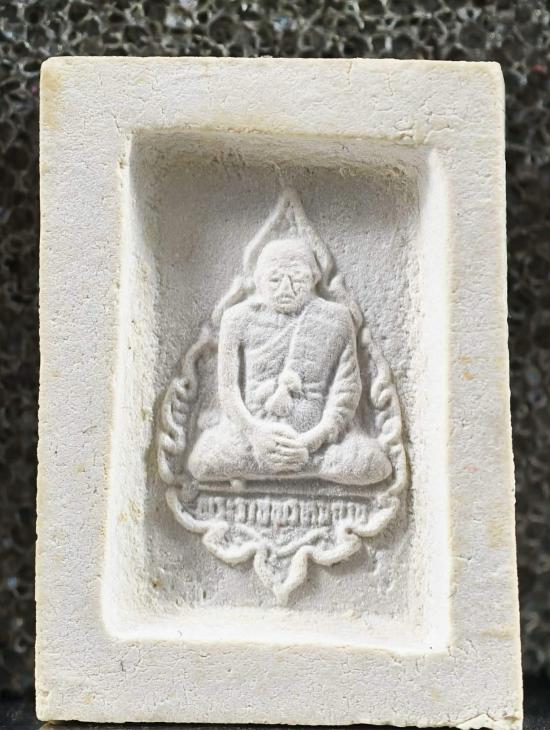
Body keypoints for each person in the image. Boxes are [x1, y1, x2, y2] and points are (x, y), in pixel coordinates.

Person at [187, 237, 391, 486]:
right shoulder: (238, 318)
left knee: (371, 463)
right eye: (275, 280)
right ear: (258, 280)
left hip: (317, 441)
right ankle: (301, 468)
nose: (286, 288)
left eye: (296, 279)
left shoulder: (336, 318)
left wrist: (312, 440)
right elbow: (228, 390)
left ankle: (286, 464)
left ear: (314, 278)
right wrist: (255, 433)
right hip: (250, 437)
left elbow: (346, 390)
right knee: (202, 461)